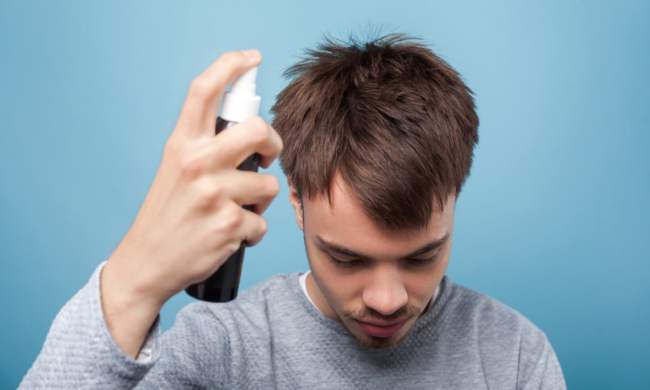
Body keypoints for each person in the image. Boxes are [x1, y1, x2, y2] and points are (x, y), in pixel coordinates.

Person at [20, 34, 566, 389]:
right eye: (347, 259)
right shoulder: (220, 348)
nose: (387, 299)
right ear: (298, 204)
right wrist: (132, 282)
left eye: (422, 256)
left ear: (455, 198)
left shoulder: (514, 357)